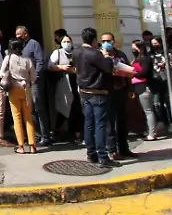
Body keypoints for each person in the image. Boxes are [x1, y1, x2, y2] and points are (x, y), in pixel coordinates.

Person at [74, 27, 133, 167]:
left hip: (85, 92)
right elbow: (108, 68)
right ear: (94, 40)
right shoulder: (95, 54)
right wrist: (106, 56)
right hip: (98, 92)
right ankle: (103, 156)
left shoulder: (76, 52)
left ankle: (91, 153)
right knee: (100, 124)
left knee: (88, 123)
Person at [0, 38, 37, 153]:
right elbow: (33, 77)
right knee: (28, 118)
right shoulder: (27, 60)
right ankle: (32, 145)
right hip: (26, 89)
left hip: (13, 90)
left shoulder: (8, 58)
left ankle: (21, 146)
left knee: (17, 118)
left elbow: (1, 73)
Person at [100, 32, 135, 159]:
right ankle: (111, 149)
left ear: (113, 42)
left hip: (121, 90)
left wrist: (130, 86)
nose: (106, 43)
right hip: (108, 92)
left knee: (122, 120)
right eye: (103, 41)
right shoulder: (100, 56)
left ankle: (124, 148)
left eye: (108, 41)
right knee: (109, 122)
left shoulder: (121, 54)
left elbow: (129, 69)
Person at [16, 25, 50, 145]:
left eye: (19, 34)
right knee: (30, 108)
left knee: (39, 107)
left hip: (35, 81)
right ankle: (36, 135)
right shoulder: (20, 46)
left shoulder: (34, 44)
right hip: (25, 81)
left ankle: (45, 136)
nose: (17, 37)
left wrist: (36, 77)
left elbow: (40, 61)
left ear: (25, 34)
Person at [48, 31, 79, 143]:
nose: (67, 43)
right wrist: (61, 67)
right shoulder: (57, 53)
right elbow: (50, 66)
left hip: (76, 82)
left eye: (68, 41)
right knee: (63, 108)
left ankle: (74, 133)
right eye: (64, 42)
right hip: (64, 83)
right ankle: (57, 132)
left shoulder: (76, 52)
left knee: (76, 107)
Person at [131, 41, 160, 141]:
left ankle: (152, 133)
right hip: (138, 87)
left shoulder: (145, 59)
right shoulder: (137, 59)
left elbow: (143, 72)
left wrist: (132, 73)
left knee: (148, 111)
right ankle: (149, 130)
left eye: (134, 48)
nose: (133, 50)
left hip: (145, 87)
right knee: (146, 111)